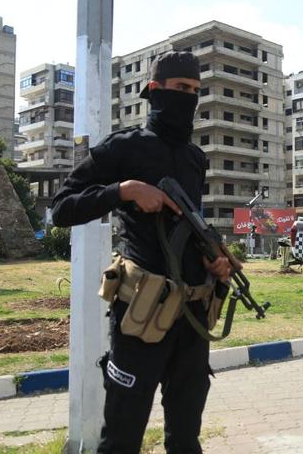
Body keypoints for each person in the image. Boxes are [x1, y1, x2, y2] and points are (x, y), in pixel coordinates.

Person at [51, 51, 232, 454]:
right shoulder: (123, 148)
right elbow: (62, 207)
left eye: (196, 91)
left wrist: (213, 259)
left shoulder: (194, 158)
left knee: (186, 438)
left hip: (190, 316)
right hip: (142, 314)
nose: (190, 98)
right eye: (182, 89)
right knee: (121, 438)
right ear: (155, 91)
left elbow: (189, 225)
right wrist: (124, 191)